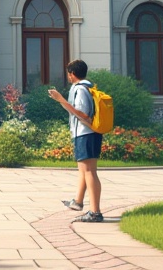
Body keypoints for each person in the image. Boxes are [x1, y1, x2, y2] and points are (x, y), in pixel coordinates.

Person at [48, 59, 103, 223]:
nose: (68, 77)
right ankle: (78, 202)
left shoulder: (81, 89)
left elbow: (82, 114)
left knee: (89, 172)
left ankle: (95, 212)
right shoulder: (86, 87)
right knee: (84, 170)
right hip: (85, 134)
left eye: (68, 74)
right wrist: (62, 101)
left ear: (72, 74)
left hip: (86, 134)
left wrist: (61, 100)